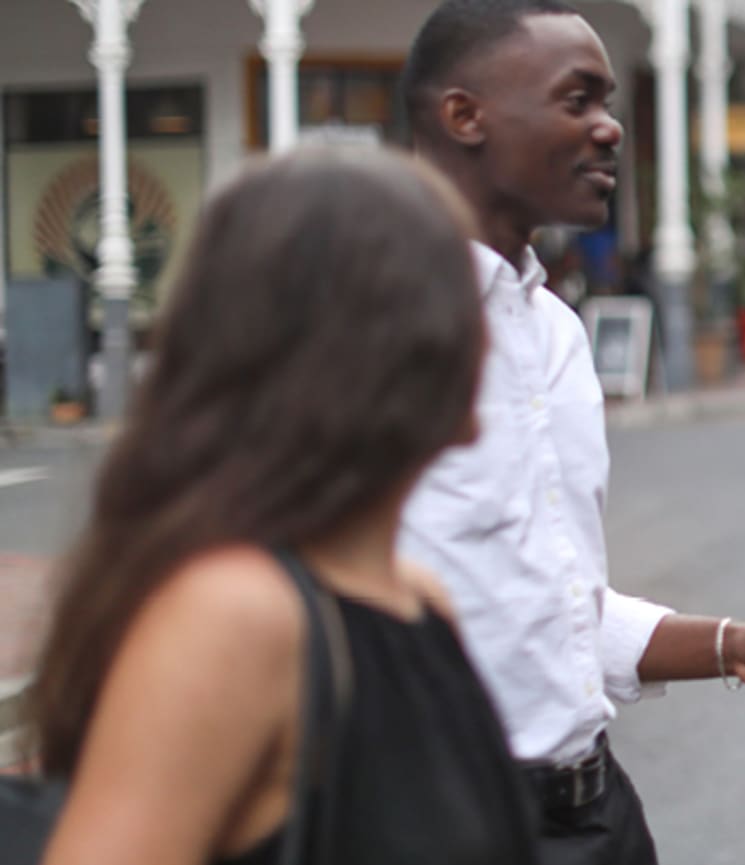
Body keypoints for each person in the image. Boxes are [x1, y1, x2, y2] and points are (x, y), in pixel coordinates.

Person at [396, 3, 745, 864]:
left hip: (596, 812)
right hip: (435, 822)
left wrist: (731, 644)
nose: (611, 127)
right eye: (576, 99)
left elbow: (549, 604)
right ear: (464, 115)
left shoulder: (554, 333)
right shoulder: (360, 325)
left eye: (610, 99)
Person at [27, 148, 543, 864]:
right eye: (457, 297)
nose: (485, 331)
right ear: (392, 346)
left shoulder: (415, 598)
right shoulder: (239, 614)